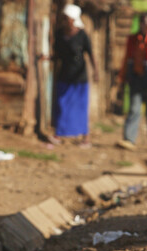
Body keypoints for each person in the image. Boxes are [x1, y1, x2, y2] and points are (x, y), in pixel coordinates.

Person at [117, 12, 147, 153]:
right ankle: (129, 139)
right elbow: (127, 59)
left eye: (146, 22)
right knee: (134, 109)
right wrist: (122, 77)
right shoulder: (132, 40)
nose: (144, 24)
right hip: (136, 79)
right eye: (142, 22)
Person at [51, 4, 98, 148]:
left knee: (80, 107)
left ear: (73, 19)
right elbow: (57, 54)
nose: (65, 21)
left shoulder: (82, 35)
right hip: (64, 75)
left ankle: (86, 138)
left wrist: (96, 71)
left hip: (79, 78)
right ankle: (58, 134)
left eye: (67, 18)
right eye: (64, 18)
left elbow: (90, 54)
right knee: (62, 104)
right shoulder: (59, 34)